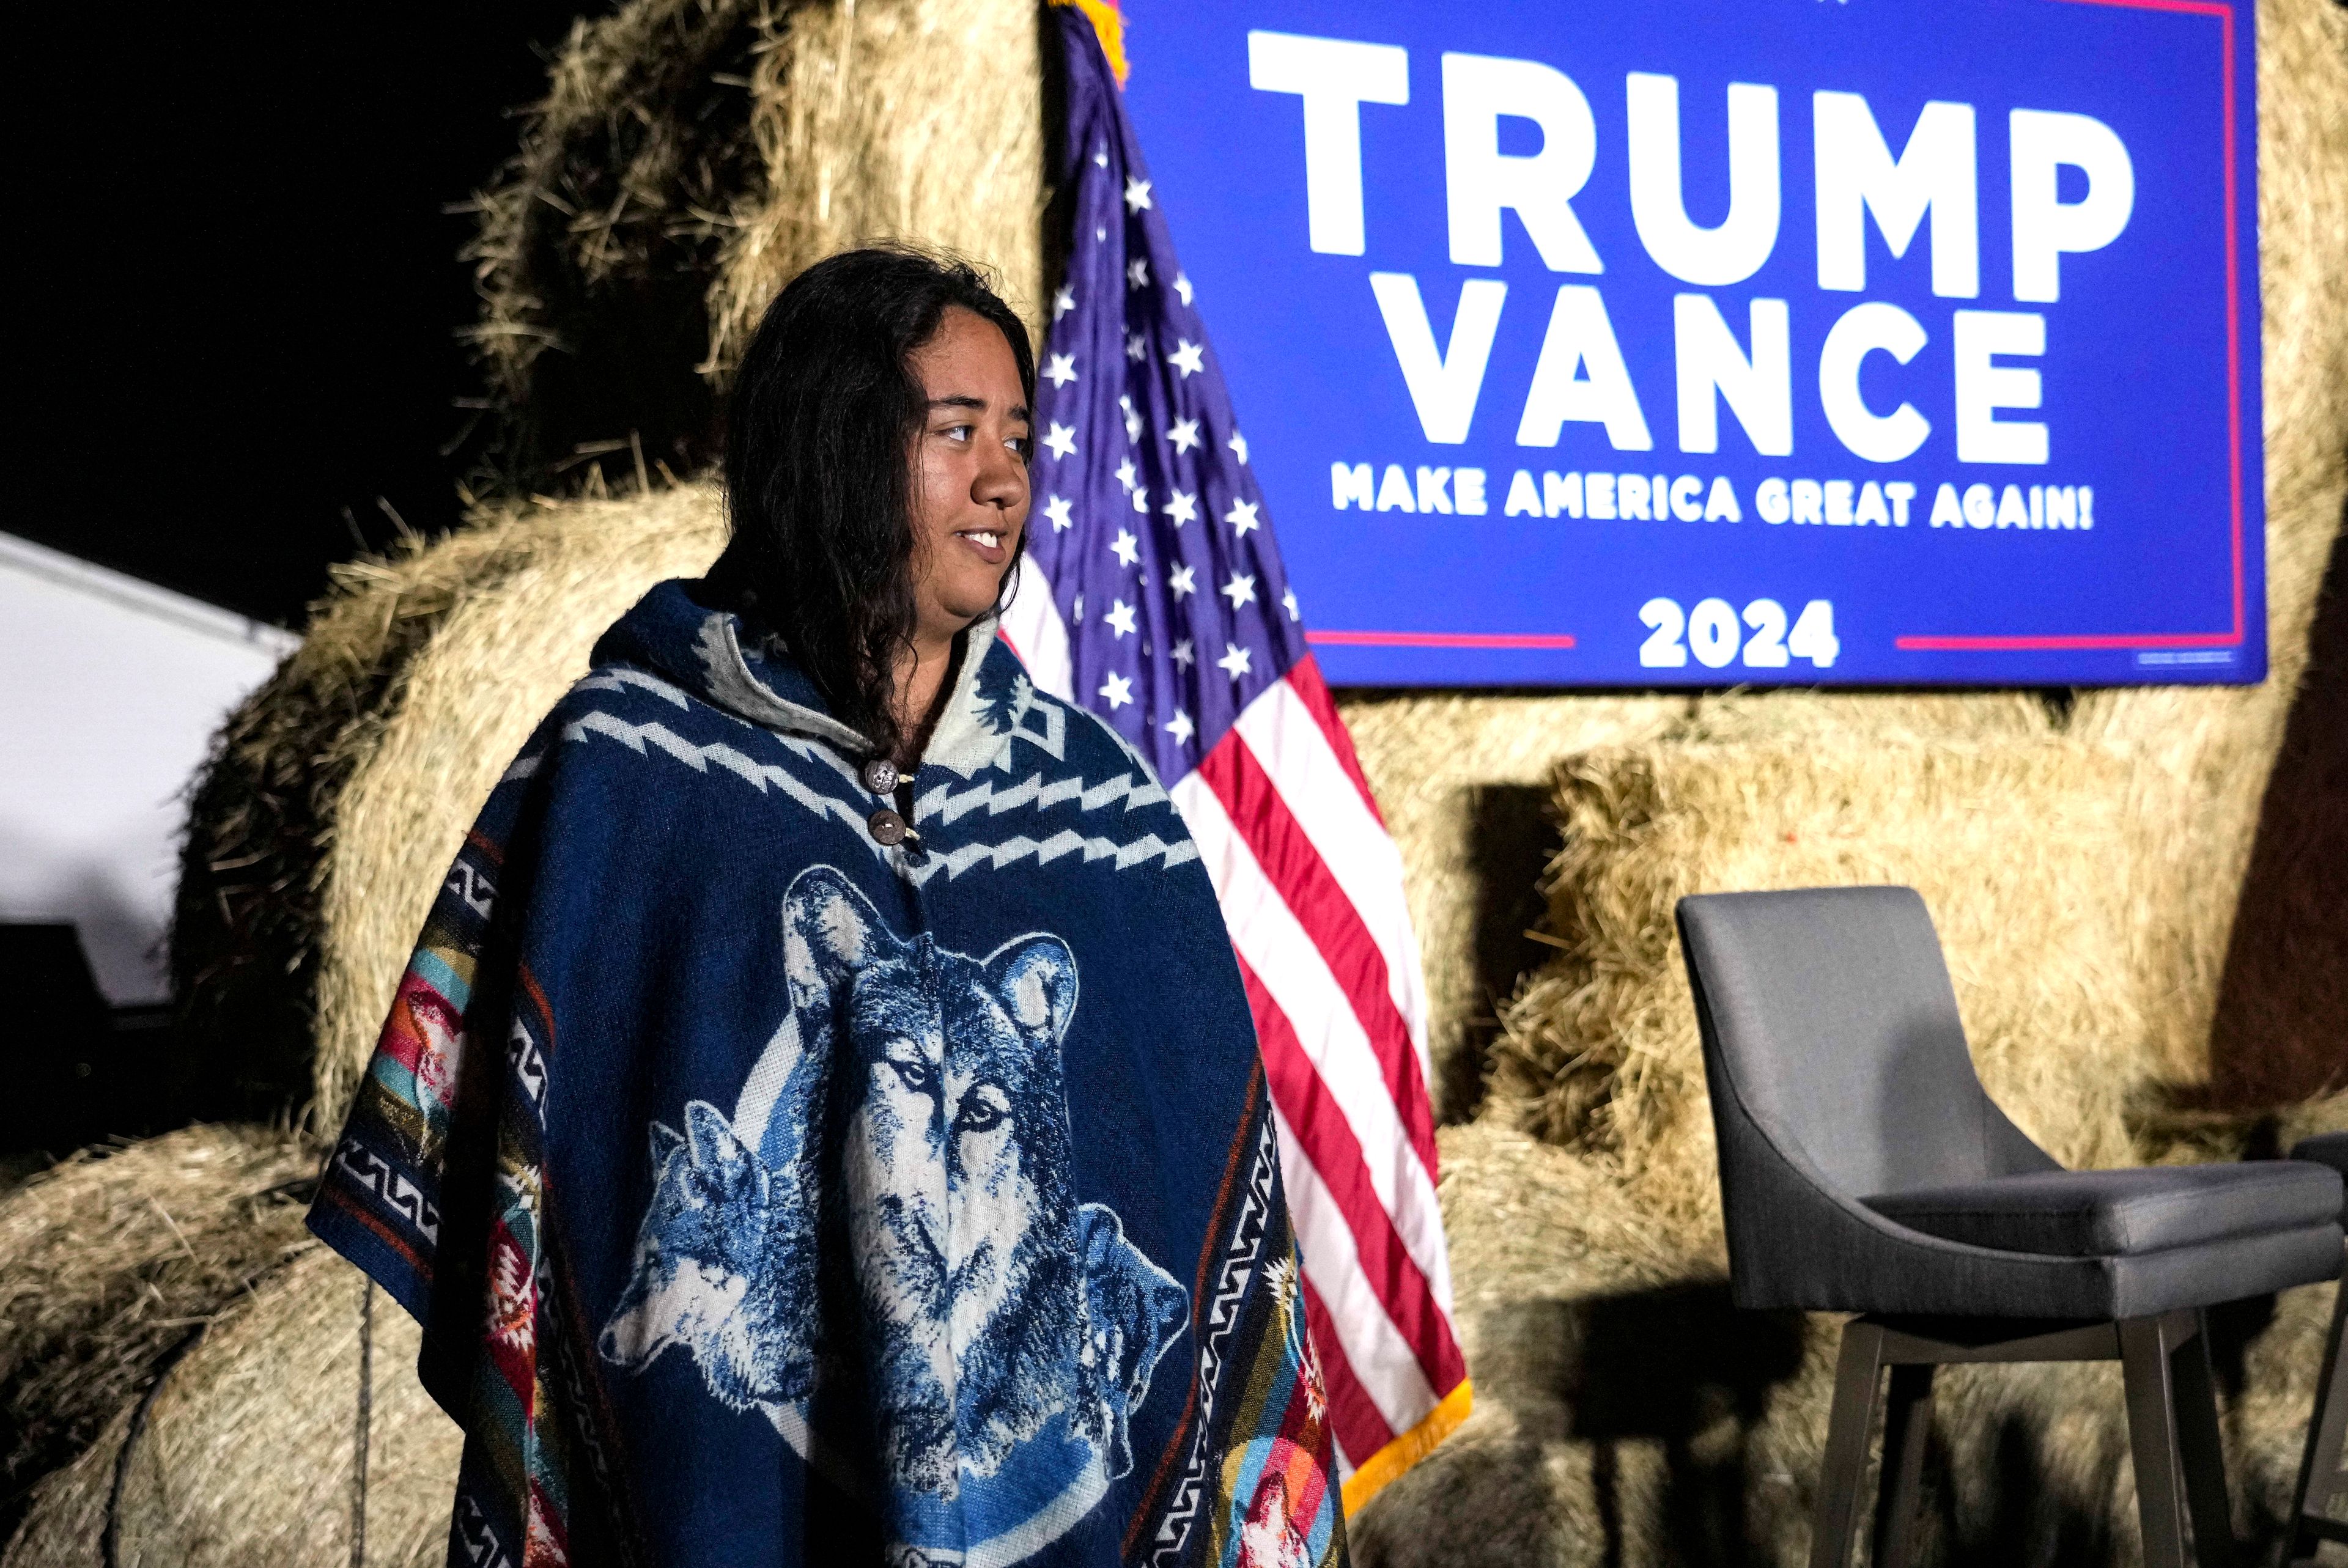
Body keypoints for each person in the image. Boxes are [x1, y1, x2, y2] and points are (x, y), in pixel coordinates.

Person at [308, 247, 1347, 1568]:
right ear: (838, 448)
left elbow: (1201, 1208)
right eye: (955, 431)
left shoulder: (1105, 815)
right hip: (726, 1508)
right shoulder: (629, 771)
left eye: (1019, 438)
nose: (1005, 479)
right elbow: (526, 1150)